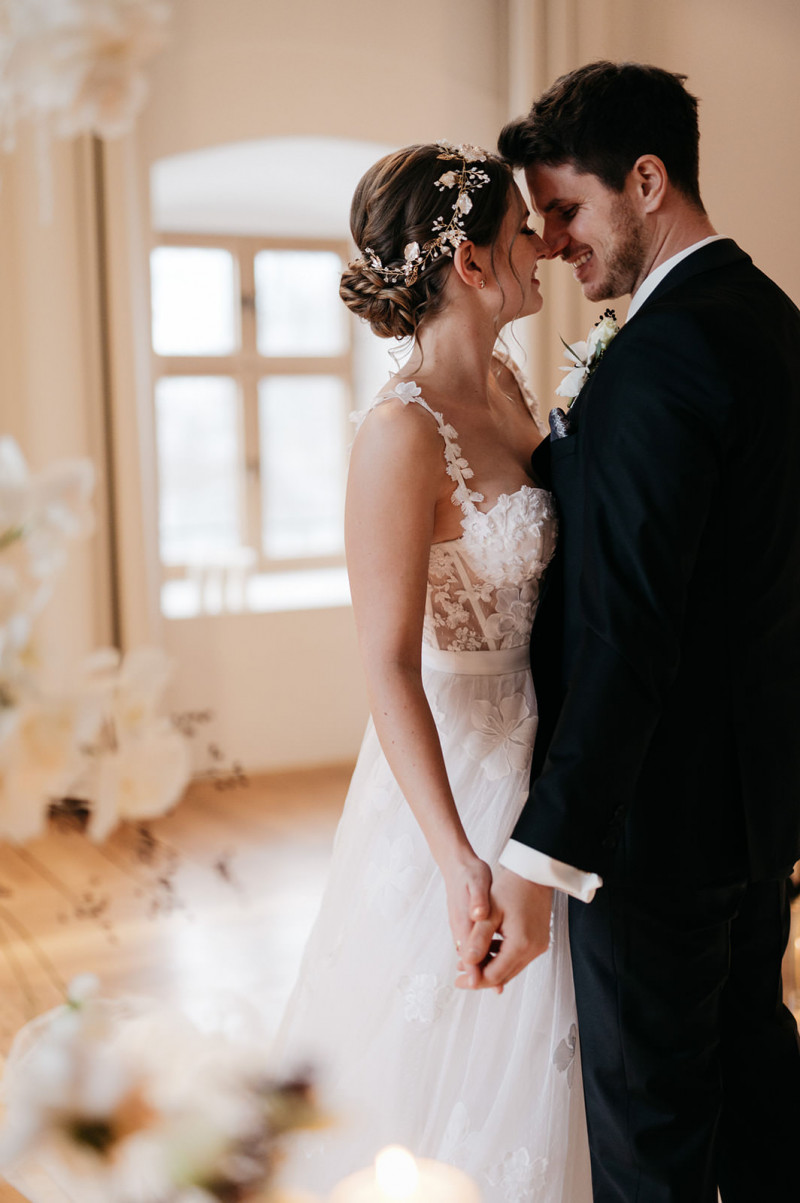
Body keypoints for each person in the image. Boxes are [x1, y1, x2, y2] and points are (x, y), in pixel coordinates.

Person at [459, 61, 800, 1202]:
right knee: (755, 1099)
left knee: (649, 1144)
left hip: (652, 837)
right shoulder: (766, 320)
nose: (551, 242)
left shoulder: (660, 357)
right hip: (753, 815)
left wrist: (540, 858)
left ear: (644, 180)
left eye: (564, 209)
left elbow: (626, 631)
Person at [272, 142, 592, 1202]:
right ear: (465, 262)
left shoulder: (504, 382)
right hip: (461, 755)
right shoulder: (397, 436)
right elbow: (386, 666)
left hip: (549, 737)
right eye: (517, 238)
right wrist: (457, 855)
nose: (541, 250)